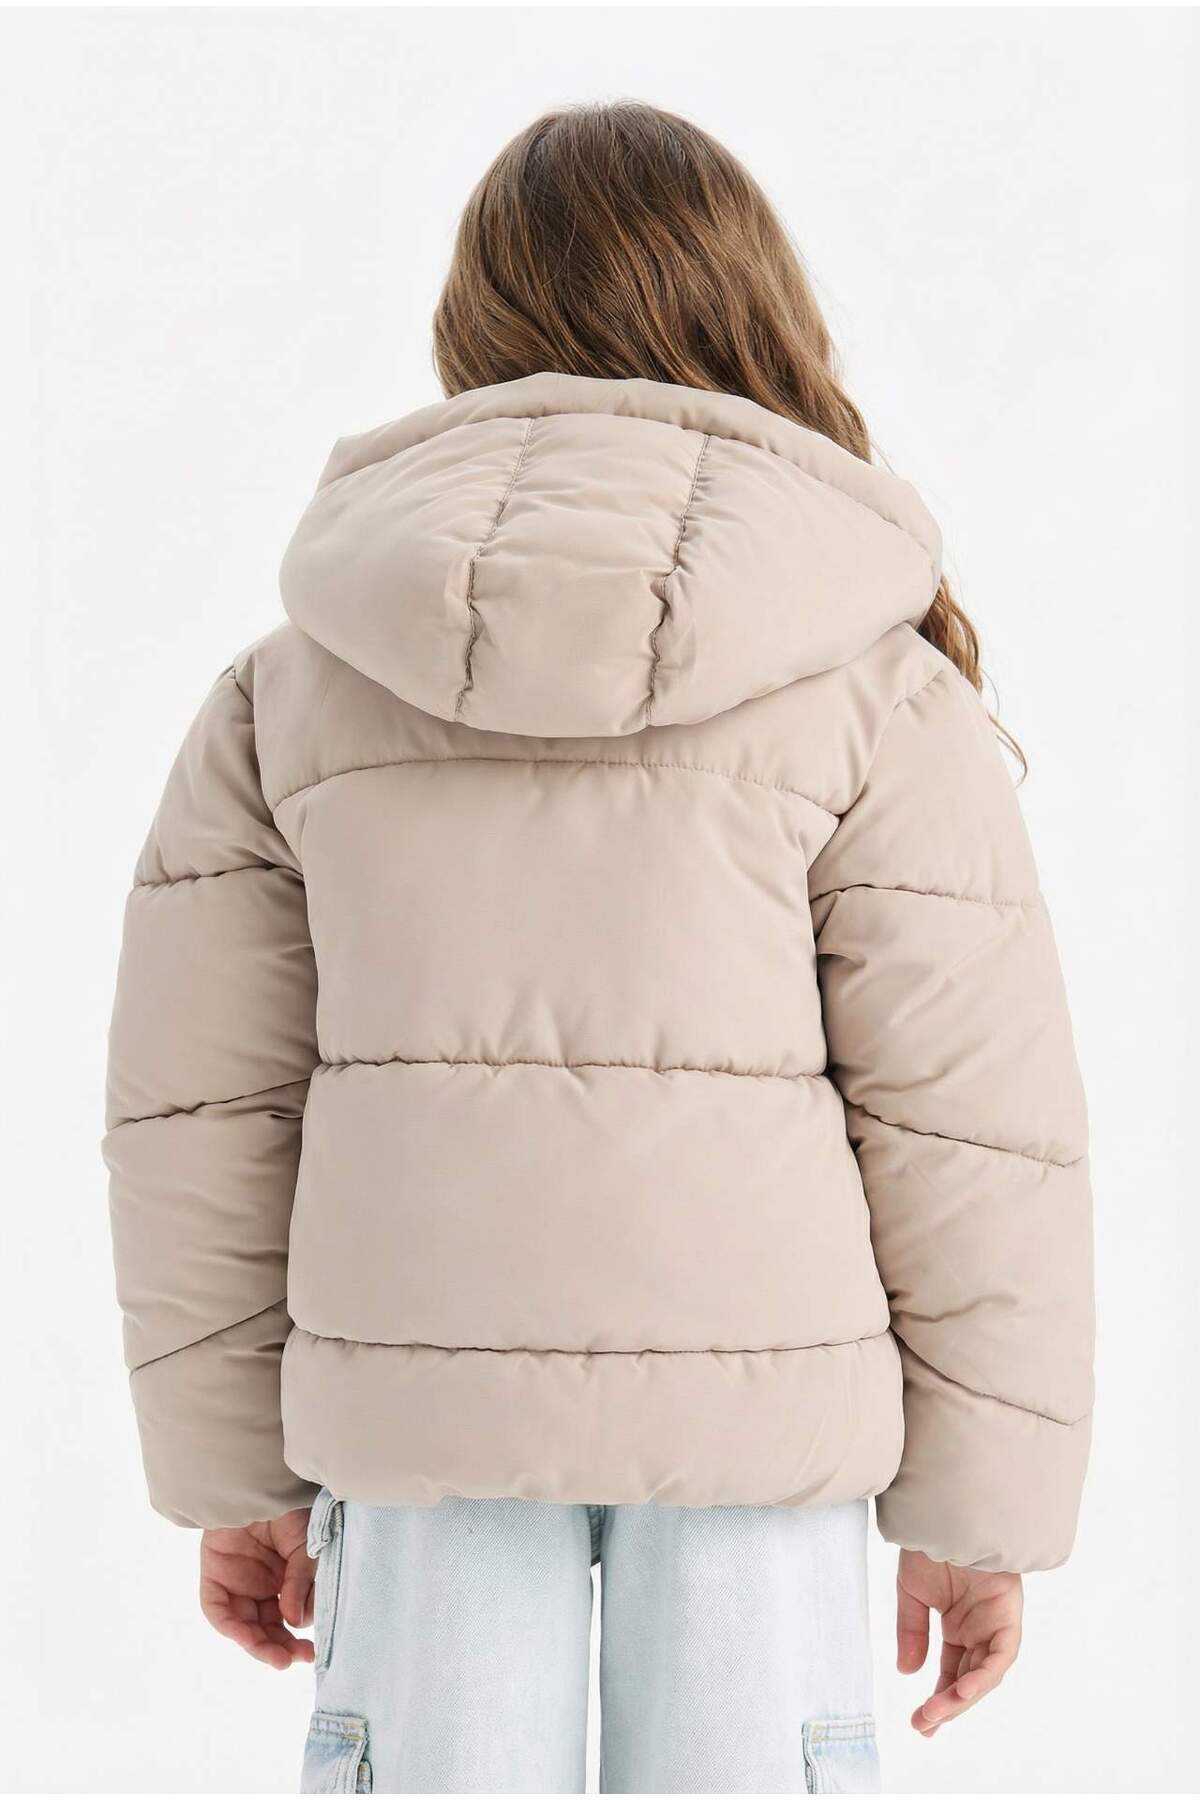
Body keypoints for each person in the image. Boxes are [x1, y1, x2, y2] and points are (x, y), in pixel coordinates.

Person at [103, 102, 1093, 1795]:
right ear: (752, 308)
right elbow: (971, 1130)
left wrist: (235, 1471)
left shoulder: (295, 684)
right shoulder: (871, 680)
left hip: (413, 1424)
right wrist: (978, 1511)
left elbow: (202, 1117)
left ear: (474, 319)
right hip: (763, 1435)